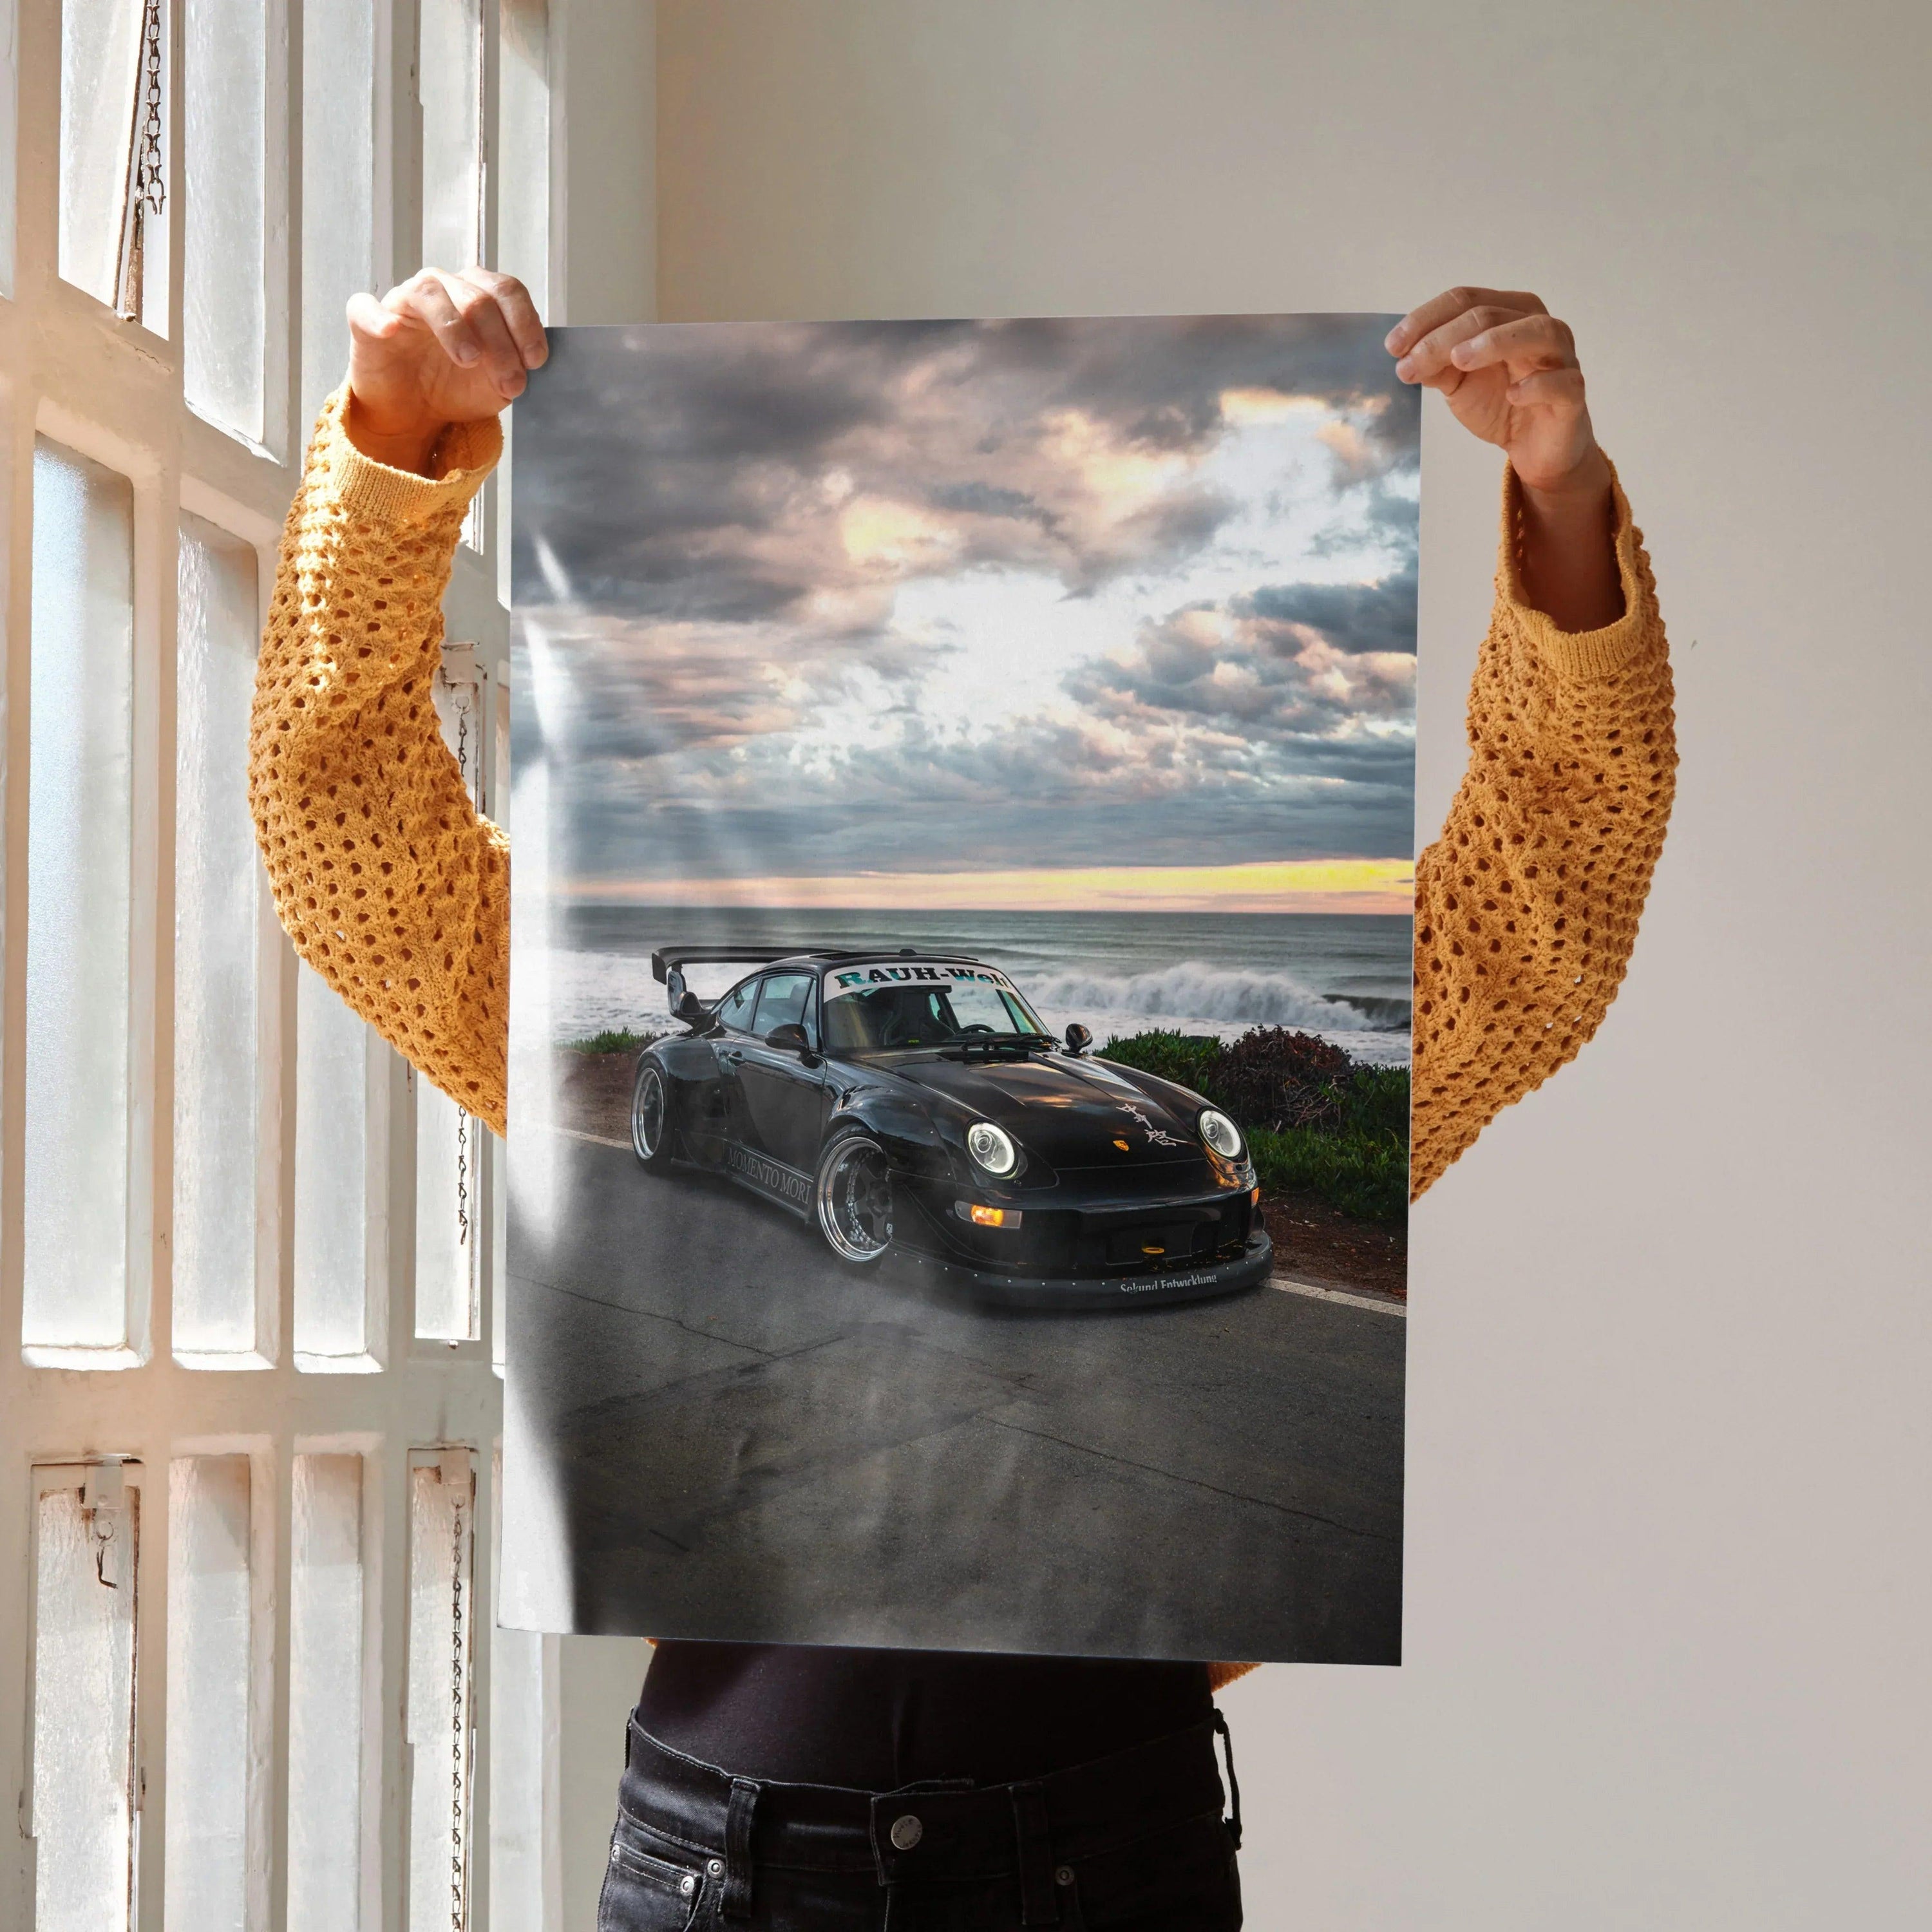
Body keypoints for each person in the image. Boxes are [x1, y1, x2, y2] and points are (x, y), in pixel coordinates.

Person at [250, 269, 1675, 1929]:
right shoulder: (654, 996)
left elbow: (1545, 909)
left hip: (1109, 1846)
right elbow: (344, 836)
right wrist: (393, 445)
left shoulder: (1051, 1065)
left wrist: (1560, 496)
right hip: (728, 1861)